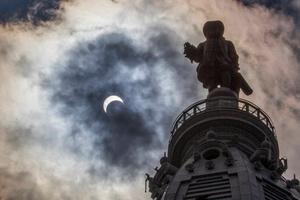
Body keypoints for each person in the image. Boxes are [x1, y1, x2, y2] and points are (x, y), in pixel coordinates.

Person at [184, 20, 253, 96]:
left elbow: (234, 56)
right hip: (208, 67)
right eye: (210, 29)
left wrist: (233, 65)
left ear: (221, 30)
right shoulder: (203, 44)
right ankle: (213, 93)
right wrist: (191, 52)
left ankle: (227, 93)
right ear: (206, 32)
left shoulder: (228, 43)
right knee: (212, 83)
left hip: (225, 65)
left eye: (217, 28)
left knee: (226, 79)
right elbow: (198, 57)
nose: (214, 31)